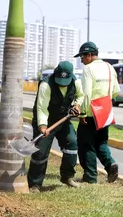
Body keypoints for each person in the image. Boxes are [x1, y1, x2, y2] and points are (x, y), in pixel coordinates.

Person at [27, 61, 85, 192]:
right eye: (59, 80)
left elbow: (80, 96)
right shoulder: (46, 85)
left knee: (72, 144)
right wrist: (42, 125)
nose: (62, 83)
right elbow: (41, 108)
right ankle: (35, 184)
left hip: (63, 119)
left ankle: (67, 176)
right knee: (40, 152)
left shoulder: (76, 82)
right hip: (46, 120)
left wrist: (76, 105)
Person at [74, 41, 121, 184]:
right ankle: (110, 164)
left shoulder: (88, 69)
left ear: (89, 55)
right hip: (105, 113)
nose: (81, 60)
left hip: (90, 114)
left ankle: (90, 177)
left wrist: (82, 114)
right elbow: (116, 91)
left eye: (82, 56)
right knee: (101, 142)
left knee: (85, 144)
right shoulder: (109, 67)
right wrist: (104, 102)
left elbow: (86, 93)